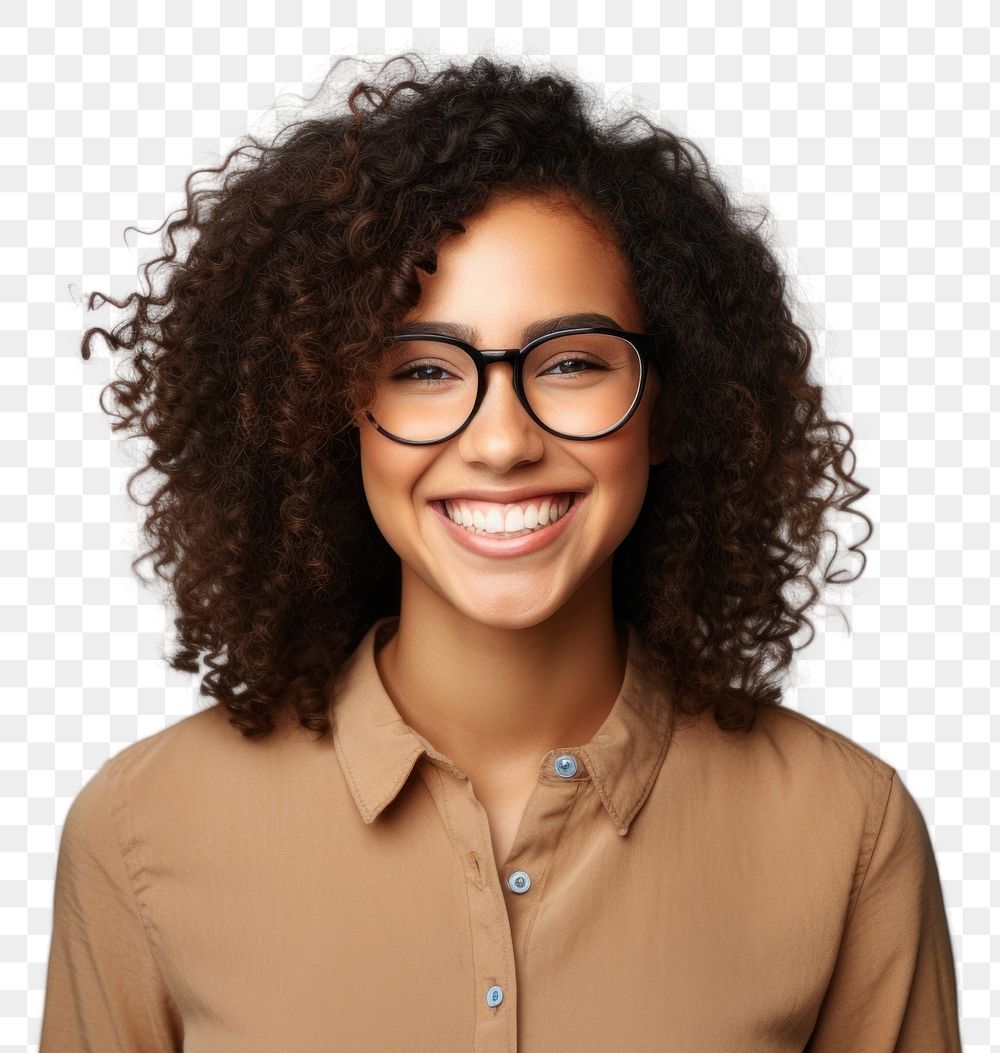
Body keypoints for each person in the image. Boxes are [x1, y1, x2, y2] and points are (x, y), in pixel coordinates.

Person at [39, 53, 961, 1051]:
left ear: (671, 399)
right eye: (425, 369)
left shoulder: (842, 836)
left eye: (569, 363)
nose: (501, 441)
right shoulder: (145, 833)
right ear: (326, 407)